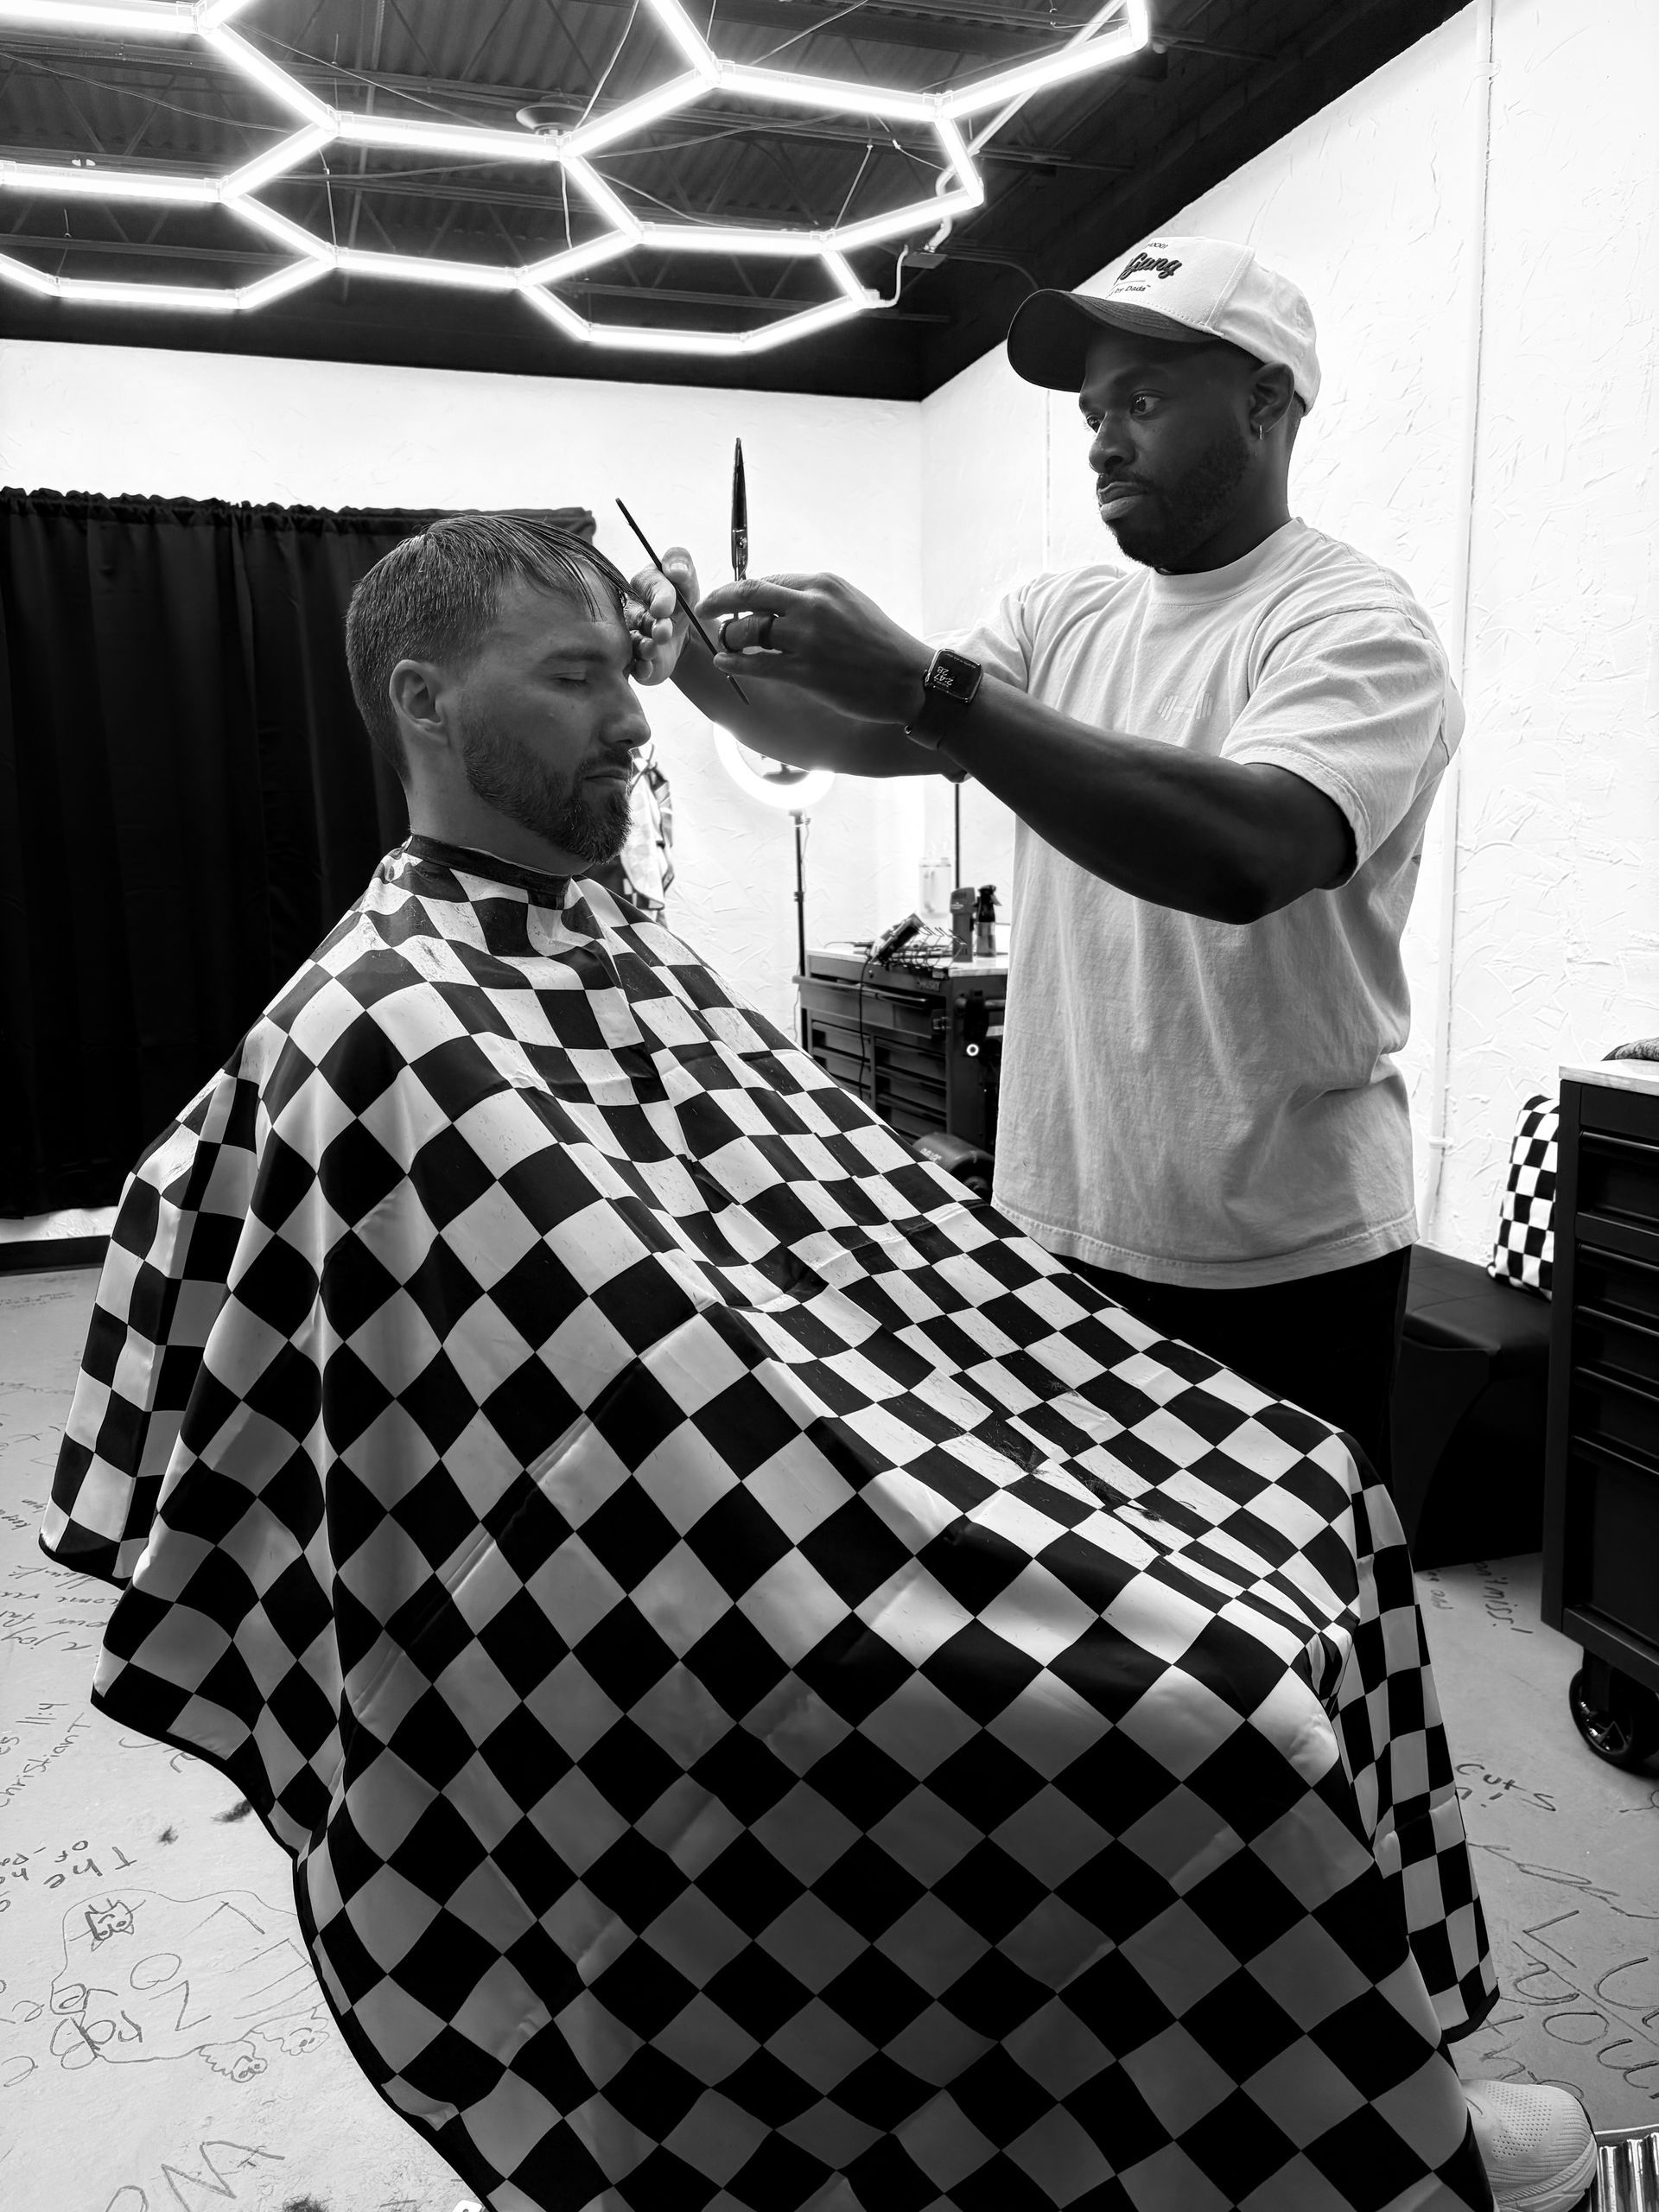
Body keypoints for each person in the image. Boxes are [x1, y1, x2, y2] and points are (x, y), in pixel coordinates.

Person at [42, 512, 1585, 2212]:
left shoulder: (581, 947)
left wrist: (927, 1380)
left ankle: (1376, 2081)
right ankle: (1351, 2157)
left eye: (627, 676)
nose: (638, 726)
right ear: (421, 696)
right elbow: (532, 1376)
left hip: (833, 1455)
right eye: (579, 680)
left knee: (1318, 1484)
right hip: (715, 1585)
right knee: (1217, 1716)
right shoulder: (383, 1017)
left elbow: (799, 1249)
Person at [662, 234, 1449, 1497]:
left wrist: (936, 690)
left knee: (1284, 1633)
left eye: (1140, 402)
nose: (1099, 441)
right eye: (1092, 413)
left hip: (1278, 1257)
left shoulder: (1354, 625)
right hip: (1064, 1229)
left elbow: (1250, 849)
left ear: (1265, 405)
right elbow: (840, 733)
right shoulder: (1058, 615)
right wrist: (701, 667)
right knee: (1100, 1627)